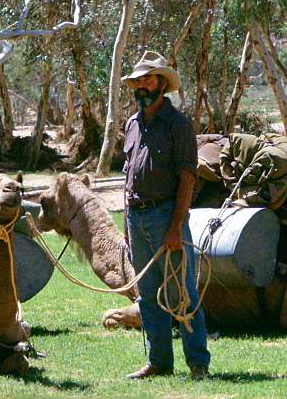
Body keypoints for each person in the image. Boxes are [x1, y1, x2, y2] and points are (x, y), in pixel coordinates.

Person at [121, 50, 210, 381]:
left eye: (148, 79)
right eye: (138, 81)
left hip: (165, 216)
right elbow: (127, 175)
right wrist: (127, 225)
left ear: (161, 83)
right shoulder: (132, 124)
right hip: (136, 216)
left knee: (181, 292)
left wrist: (175, 226)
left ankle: (198, 363)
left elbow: (188, 177)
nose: (142, 85)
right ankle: (158, 361)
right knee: (148, 295)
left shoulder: (178, 125)